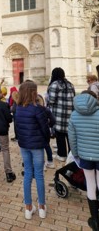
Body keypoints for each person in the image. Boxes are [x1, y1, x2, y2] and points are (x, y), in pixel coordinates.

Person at [15, 81, 50, 220]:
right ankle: (41, 207)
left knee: (28, 174)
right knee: (39, 175)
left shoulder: (18, 108)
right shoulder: (38, 109)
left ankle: (28, 208)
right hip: (36, 146)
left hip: (24, 145)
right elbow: (45, 129)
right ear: (34, 92)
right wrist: (45, 141)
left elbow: (17, 129)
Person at [68, 90, 99, 230]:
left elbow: (72, 139)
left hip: (85, 156)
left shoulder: (74, 115)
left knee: (91, 185)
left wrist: (75, 154)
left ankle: (95, 220)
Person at [47, 67, 75, 162]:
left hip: (59, 114)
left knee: (60, 135)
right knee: (69, 135)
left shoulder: (54, 85)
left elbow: (51, 100)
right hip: (70, 114)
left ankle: (62, 155)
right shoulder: (70, 84)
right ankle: (72, 156)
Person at [36, 94, 56, 169]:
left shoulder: (32, 110)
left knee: (39, 149)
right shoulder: (46, 109)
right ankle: (50, 162)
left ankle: (42, 164)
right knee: (47, 146)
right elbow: (53, 120)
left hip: (36, 132)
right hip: (45, 131)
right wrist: (49, 125)